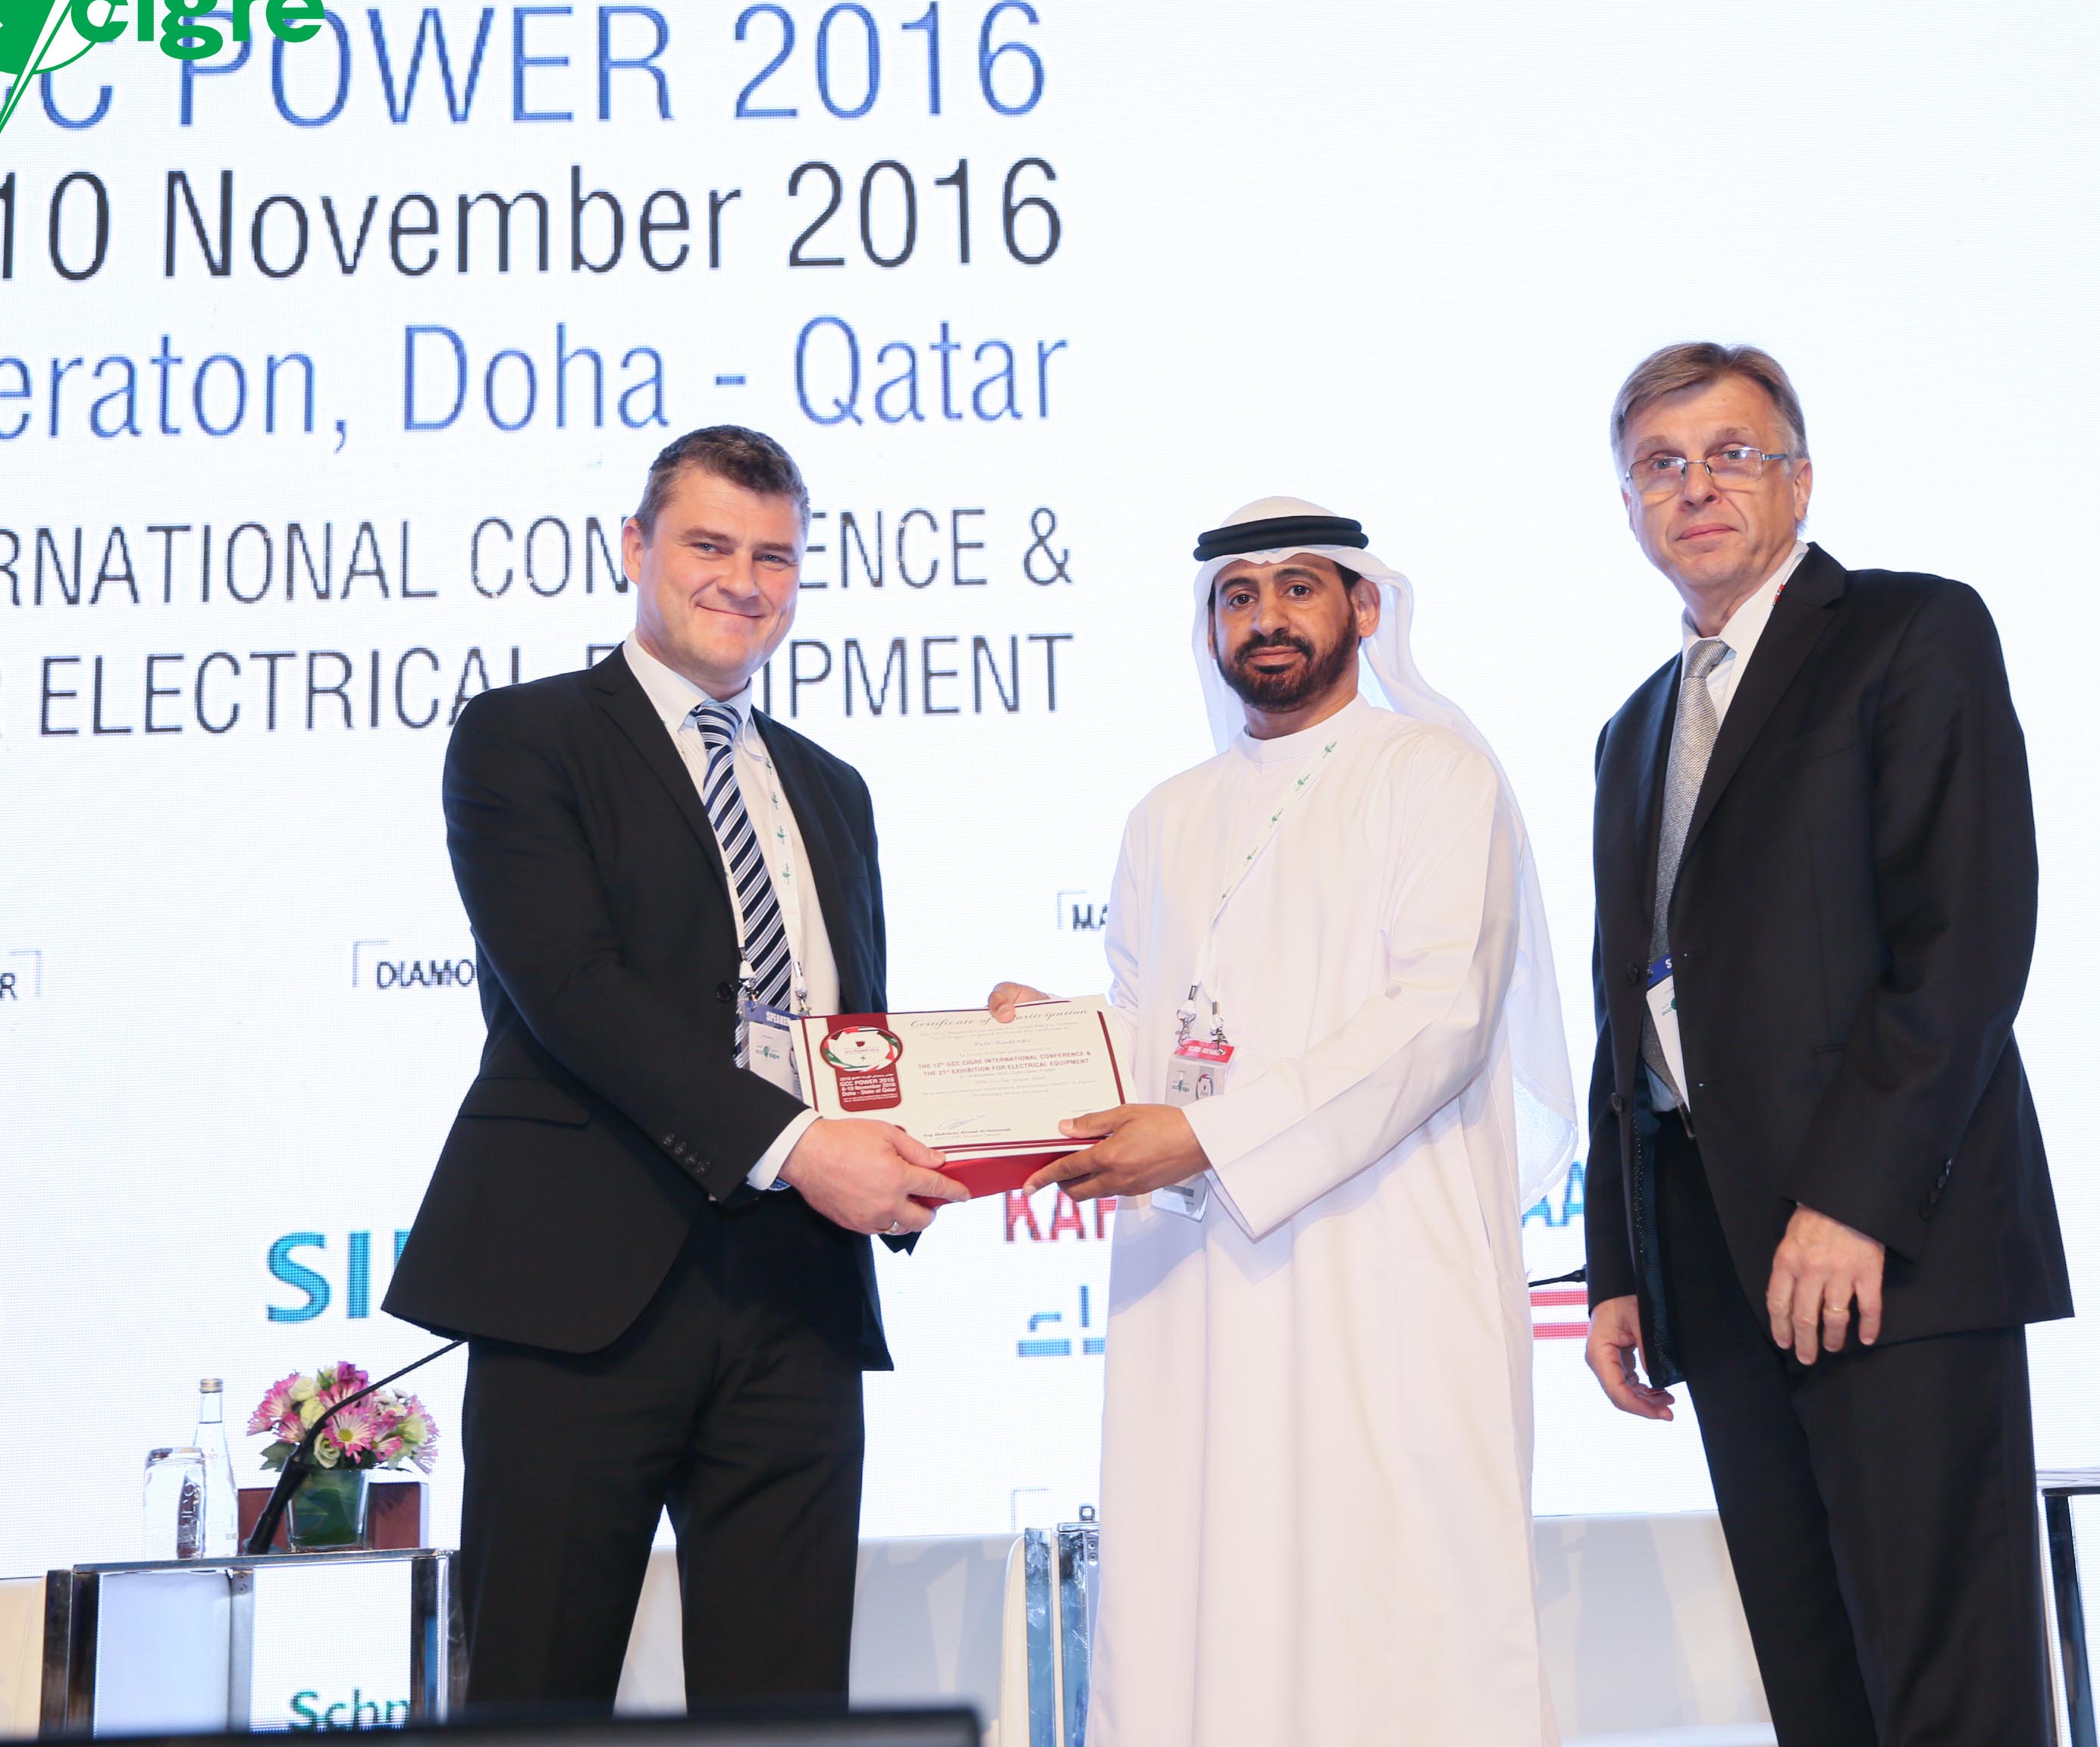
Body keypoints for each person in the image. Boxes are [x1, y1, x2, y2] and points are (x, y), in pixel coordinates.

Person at [384, 426, 967, 1711]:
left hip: (799, 1294)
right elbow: (575, 992)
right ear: (636, 548)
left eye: (776, 557)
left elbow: (843, 1032)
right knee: (537, 1696)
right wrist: (804, 1149)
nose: (743, 581)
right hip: (582, 1289)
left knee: (784, 1710)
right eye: (710, 544)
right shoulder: (524, 737)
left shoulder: (831, 787)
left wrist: (977, 1101)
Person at [989, 498, 1579, 1747]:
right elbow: (1162, 1028)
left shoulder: (1434, 774)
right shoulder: (1166, 814)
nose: (1267, 618)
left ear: (1362, 607)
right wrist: (1050, 1049)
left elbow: (1441, 1016)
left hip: (1381, 1268)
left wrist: (1210, 1140)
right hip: (1199, 1291)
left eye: (1297, 588)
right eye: (1239, 595)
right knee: (1206, 1588)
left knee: (1391, 1600)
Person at [1578, 345, 2071, 1745]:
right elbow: (1630, 1005)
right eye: (1661, 466)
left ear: (1799, 480)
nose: (1697, 488)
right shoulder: (1633, 729)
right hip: (1712, 1254)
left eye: (1732, 454)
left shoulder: (1912, 631)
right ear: (1630, 506)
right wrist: (1624, 1262)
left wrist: (1855, 1201)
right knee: (1815, 1681)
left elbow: (1964, 941)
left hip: (1888, 1244)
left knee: (1945, 1679)